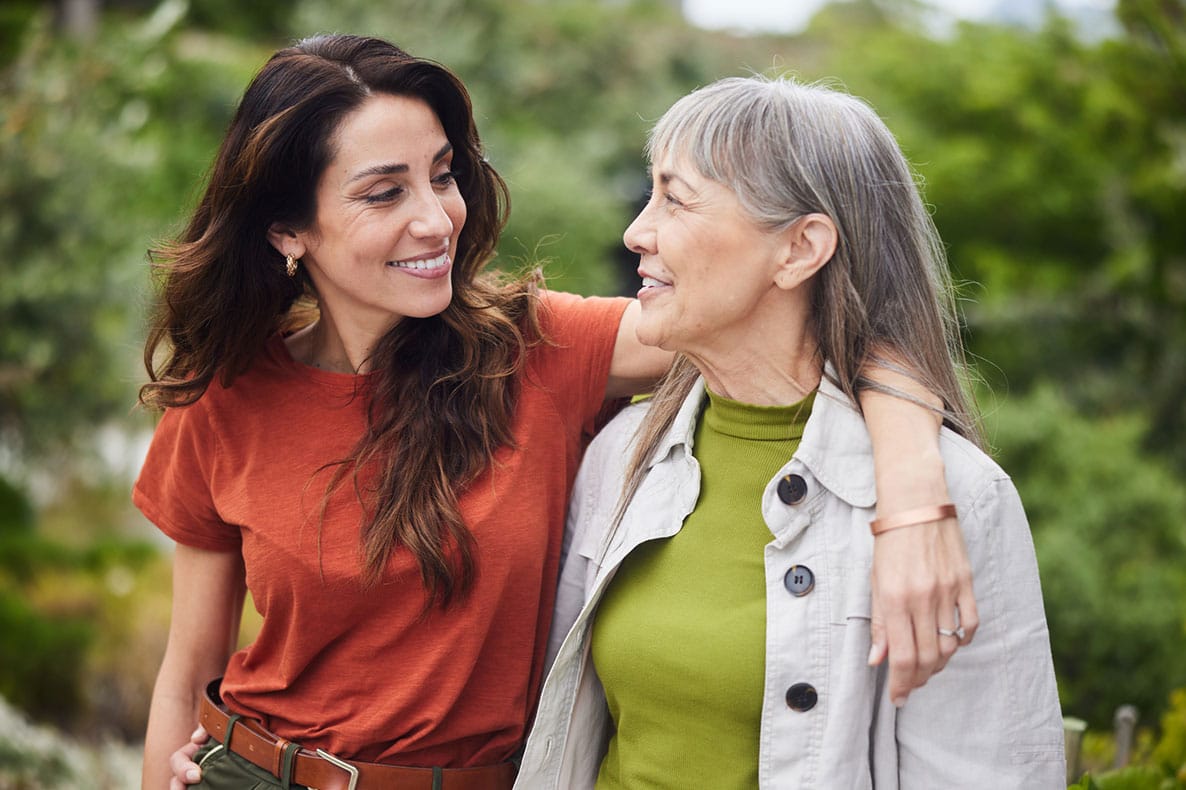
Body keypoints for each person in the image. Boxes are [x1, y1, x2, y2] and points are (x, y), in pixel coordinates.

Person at [138, 35, 977, 790]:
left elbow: (823, 320)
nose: (436, 218)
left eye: (442, 175)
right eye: (383, 193)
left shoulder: (537, 350)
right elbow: (188, 670)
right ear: (289, 229)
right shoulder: (225, 398)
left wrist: (913, 500)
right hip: (246, 772)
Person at [514, 76, 1065, 789]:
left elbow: (988, 773)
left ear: (800, 249)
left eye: (675, 199)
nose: (636, 231)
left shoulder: (957, 498)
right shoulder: (623, 457)